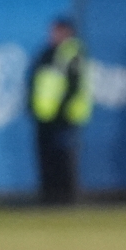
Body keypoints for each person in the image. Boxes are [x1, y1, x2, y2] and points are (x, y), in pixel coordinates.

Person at [30, 17, 90, 205]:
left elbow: (74, 87)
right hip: (45, 116)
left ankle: (65, 199)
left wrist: (61, 110)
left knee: (63, 160)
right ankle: (50, 198)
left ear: (67, 32)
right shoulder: (48, 53)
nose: (52, 35)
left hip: (64, 118)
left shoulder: (72, 53)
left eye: (57, 31)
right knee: (47, 160)